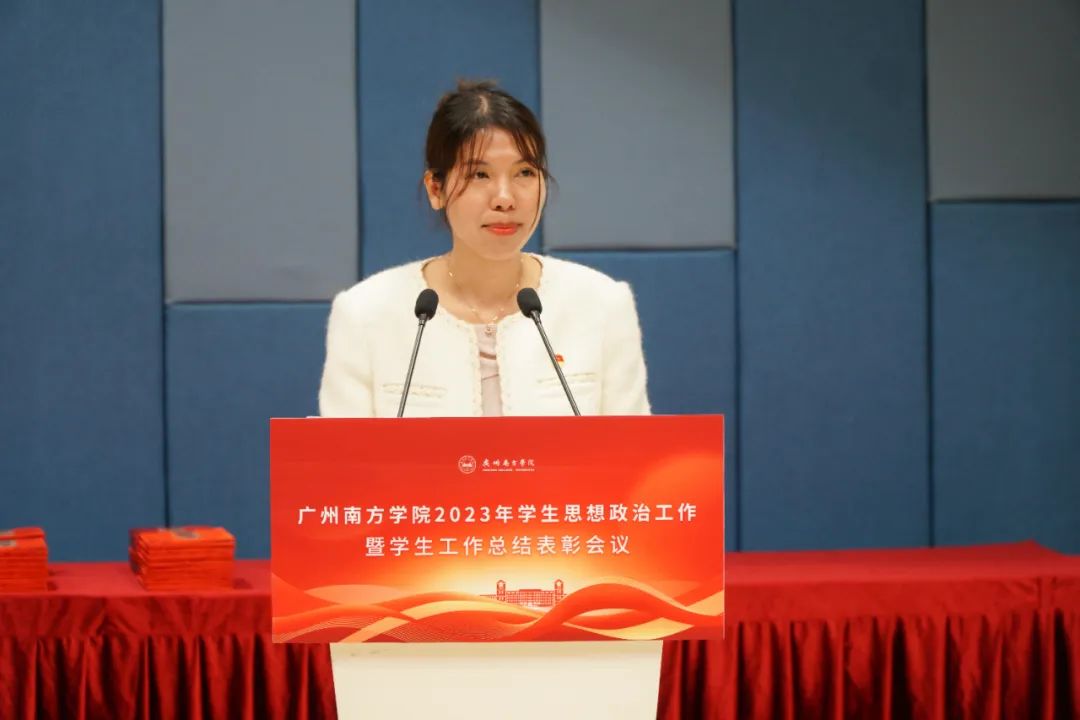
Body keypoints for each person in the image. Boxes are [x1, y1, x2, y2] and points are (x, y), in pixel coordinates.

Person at [318, 80, 650, 418]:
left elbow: (633, 450)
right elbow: (341, 453)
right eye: (479, 174)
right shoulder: (365, 314)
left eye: (524, 172)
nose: (505, 198)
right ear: (436, 189)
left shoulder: (602, 306)